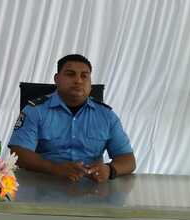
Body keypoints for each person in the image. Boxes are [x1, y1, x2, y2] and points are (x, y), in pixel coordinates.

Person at [8, 54, 135, 182]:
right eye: (70, 74)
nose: (78, 80)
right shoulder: (35, 111)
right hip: (45, 183)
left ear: (90, 82)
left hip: (92, 187)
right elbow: (18, 153)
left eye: (84, 76)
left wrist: (110, 170)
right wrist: (54, 168)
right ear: (57, 79)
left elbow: (128, 159)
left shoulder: (107, 116)